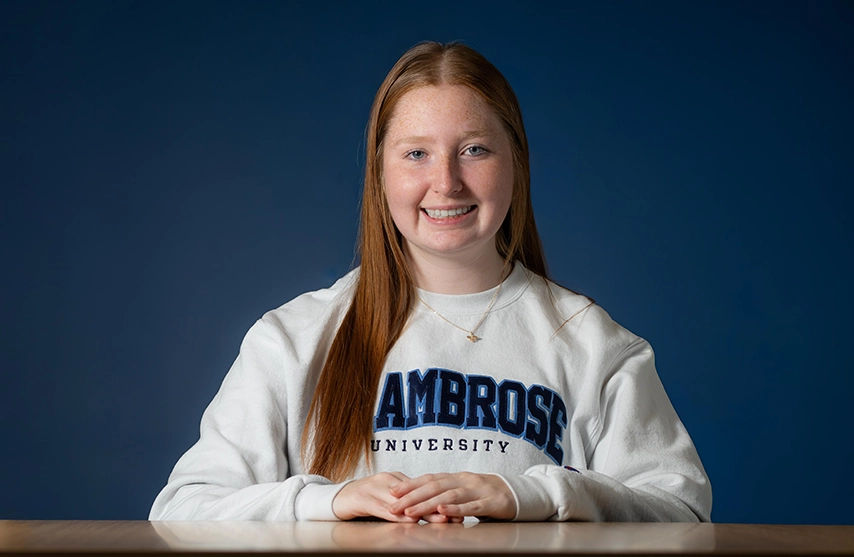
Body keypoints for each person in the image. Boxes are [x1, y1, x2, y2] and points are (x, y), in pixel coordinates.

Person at [149, 41, 712, 523]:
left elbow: (683, 511)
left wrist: (535, 494)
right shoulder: (292, 339)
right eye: (416, 153)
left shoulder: (592, 344)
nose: (446, 182)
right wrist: (329, 501)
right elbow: (182, 510)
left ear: (515, 162)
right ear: (381, 171)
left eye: (474, 150)